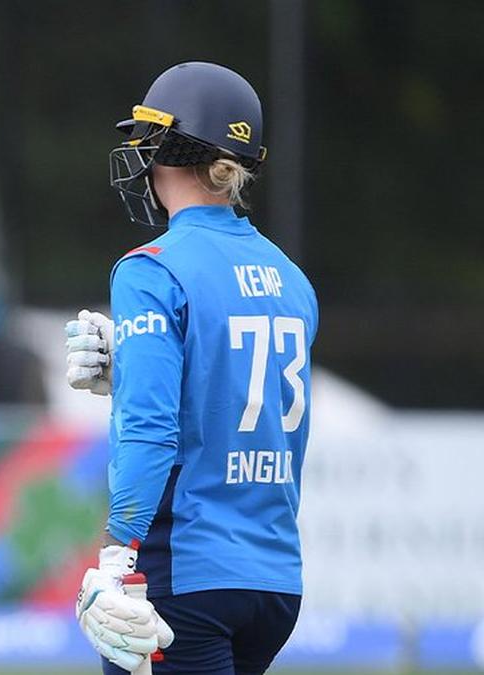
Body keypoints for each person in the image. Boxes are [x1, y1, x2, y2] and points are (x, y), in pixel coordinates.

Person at [66, 63, 318, 674]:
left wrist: (116, 557)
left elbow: (152, 429)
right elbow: (228, 400)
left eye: (148, 141)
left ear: (173, 151)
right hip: (275, 580)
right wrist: (129, 373)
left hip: (183, 569)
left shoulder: (151, 268)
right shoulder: (291, 279)